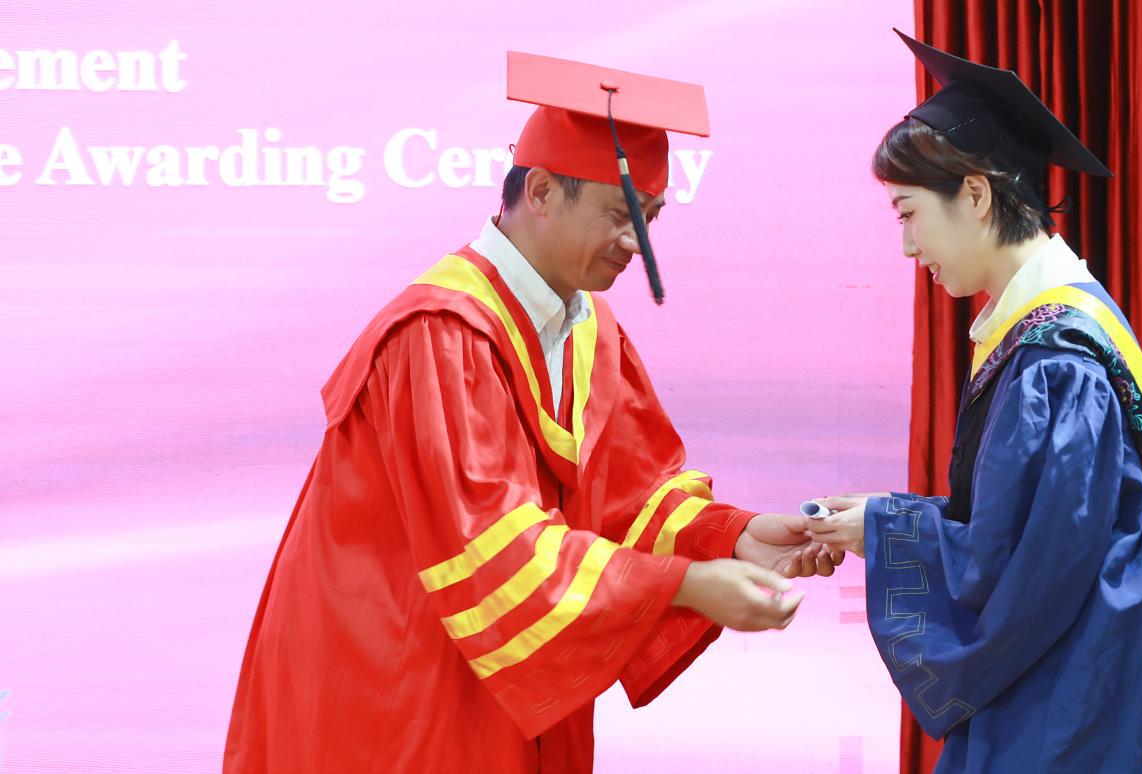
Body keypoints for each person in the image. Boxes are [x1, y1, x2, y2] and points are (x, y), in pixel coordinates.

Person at [224, 51, 839, 773]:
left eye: (650, 219)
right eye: (621, 215)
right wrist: (683, 585)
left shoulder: (589, 331)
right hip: (401, 678)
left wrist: (730, 539)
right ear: (542, 191)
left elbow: (632, 499)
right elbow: (491, 544)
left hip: (508, 680)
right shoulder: (440, 334)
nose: (638, 244)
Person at [805, 30, 1142, 773]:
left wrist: (888, 531)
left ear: (975, 194)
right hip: (1081, 685)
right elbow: (1026, 530)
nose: (907, 246)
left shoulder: (1056, 364)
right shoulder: (1050, 334)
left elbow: (1017, 567)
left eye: (907, 213)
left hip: (1067, 710)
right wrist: (882, 516)